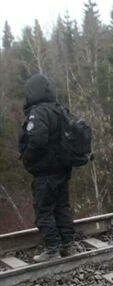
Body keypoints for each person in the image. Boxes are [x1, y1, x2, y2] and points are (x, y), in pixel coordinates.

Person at [18, 73, 76, 262]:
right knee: (61, 208)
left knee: (44, 211)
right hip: (62, 170)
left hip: (45, 173)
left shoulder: (39, 112)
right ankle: (67, 245)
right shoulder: (59, 109)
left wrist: (27, 159)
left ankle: (52, 249)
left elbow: (37, 139)